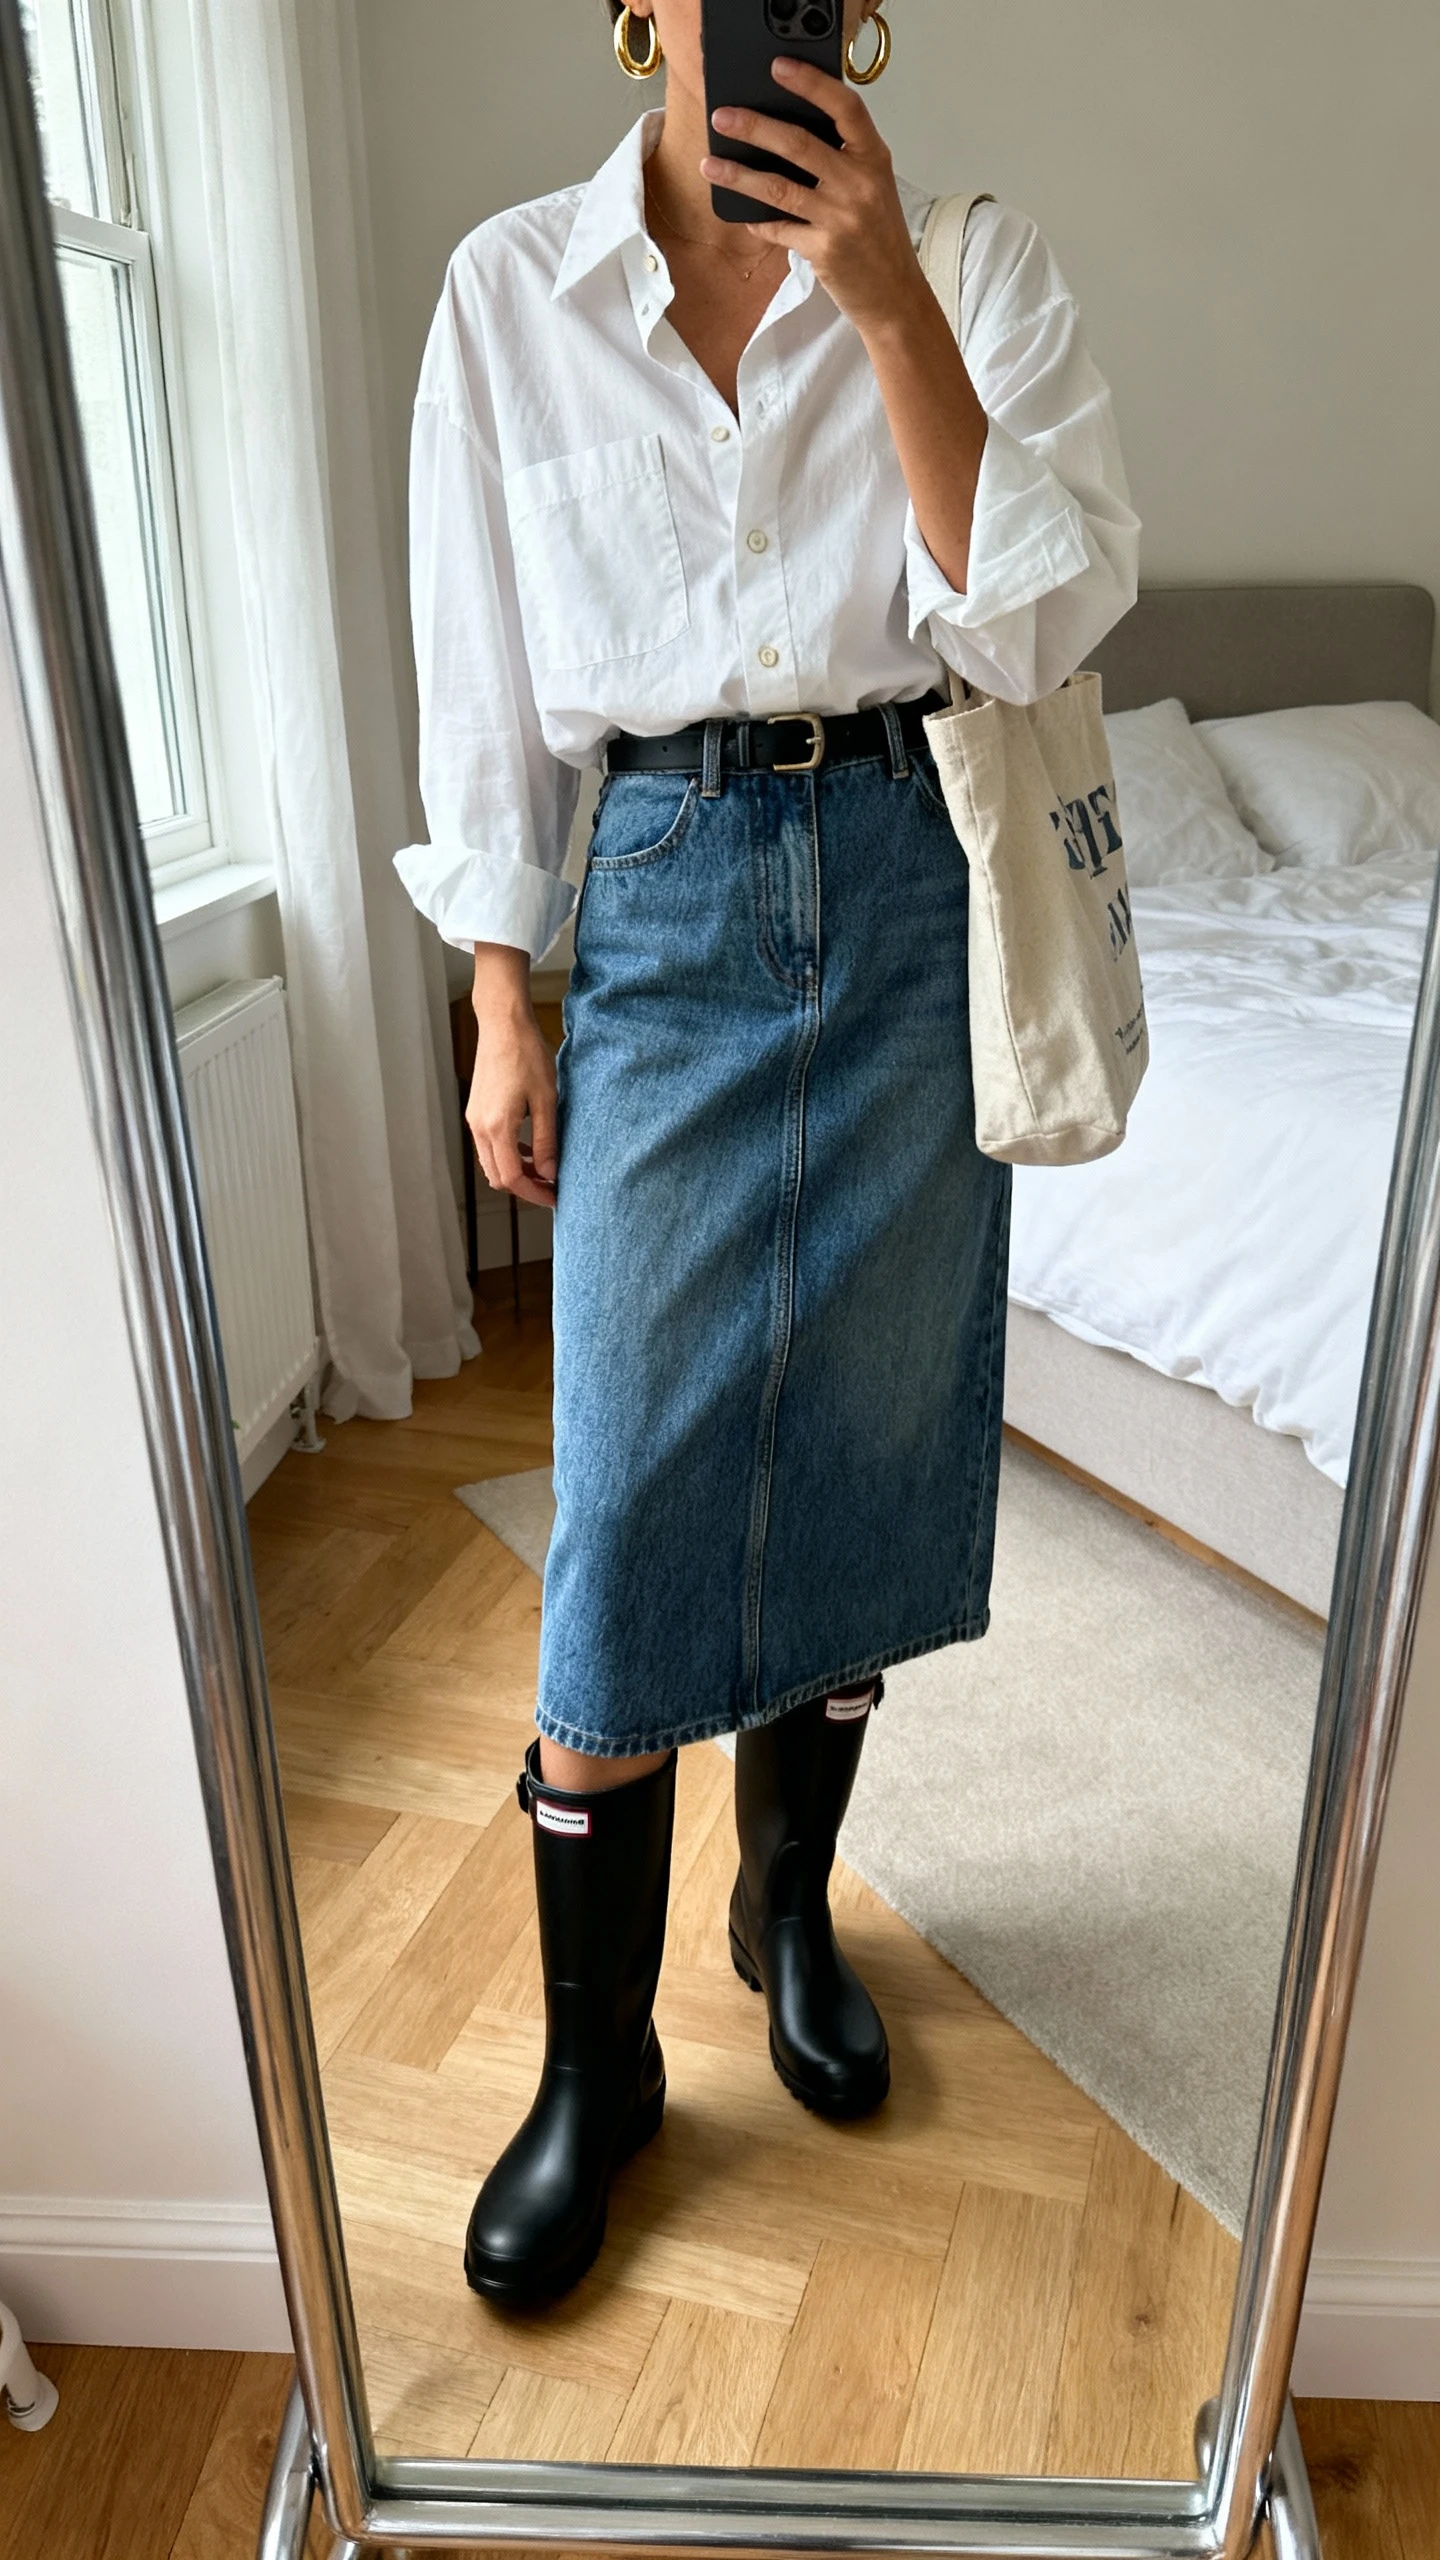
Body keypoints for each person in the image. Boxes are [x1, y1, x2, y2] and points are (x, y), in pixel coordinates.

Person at [395, 0, 1139, 2306]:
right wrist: (501, 997)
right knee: (623, 1496)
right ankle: (593, 2065)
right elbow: (477, 678)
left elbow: (1032, 614)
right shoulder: (510, 292)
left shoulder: (983, 262)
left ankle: (785, 1897)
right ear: (639, 13)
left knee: (865, 1431)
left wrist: (891, 294)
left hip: (918, 880)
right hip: (669, 898)